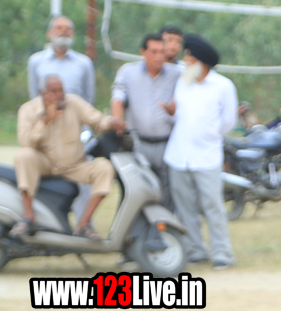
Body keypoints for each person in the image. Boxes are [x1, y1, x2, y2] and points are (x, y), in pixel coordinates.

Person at [12, 76, 124, 239]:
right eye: (54, 91)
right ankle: (29, 216)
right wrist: (46, 120)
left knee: (105, 168)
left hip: (74, 165)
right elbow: (25, 141)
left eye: (61, 90)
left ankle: (83, 223)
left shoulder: (74, 102)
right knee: (24, 155)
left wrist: (111, 122)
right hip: (45, 162)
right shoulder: (28, 109)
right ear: (43, 94)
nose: (59, 94)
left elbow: (97, 120)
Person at [162, 35, 238, 269]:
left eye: (188, 56)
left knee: (213, 206)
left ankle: (222, 253)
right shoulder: (183, 82)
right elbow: (179, 115)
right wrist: (171, 112)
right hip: (178, 155)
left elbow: (229, 121)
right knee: (185, 207)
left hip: (207, 156)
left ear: (200, 61)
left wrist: (210, 134)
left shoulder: (223, 86)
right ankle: (196, 250)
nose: (185, 59)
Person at [111, 32, 182, 207]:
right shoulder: (128, 72)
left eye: (162, 52)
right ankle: (139, 225)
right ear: (143, 52)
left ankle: (165, 222)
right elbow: (118, 97)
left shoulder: (177, 74)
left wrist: (174, 111)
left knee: (167, 190)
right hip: (139, 142)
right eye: (153, 51)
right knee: (139, 188)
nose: (159, 56)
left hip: (167, 143)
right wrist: (118, 120)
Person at [27, 16, 95, 104]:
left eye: (68, 29)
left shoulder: (84, 62)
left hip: (75, 111)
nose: (64, 31)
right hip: (46, 111)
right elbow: (34, 96)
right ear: (49, 34)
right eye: (59, 28)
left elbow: (89, 98)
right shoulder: (36, 61)